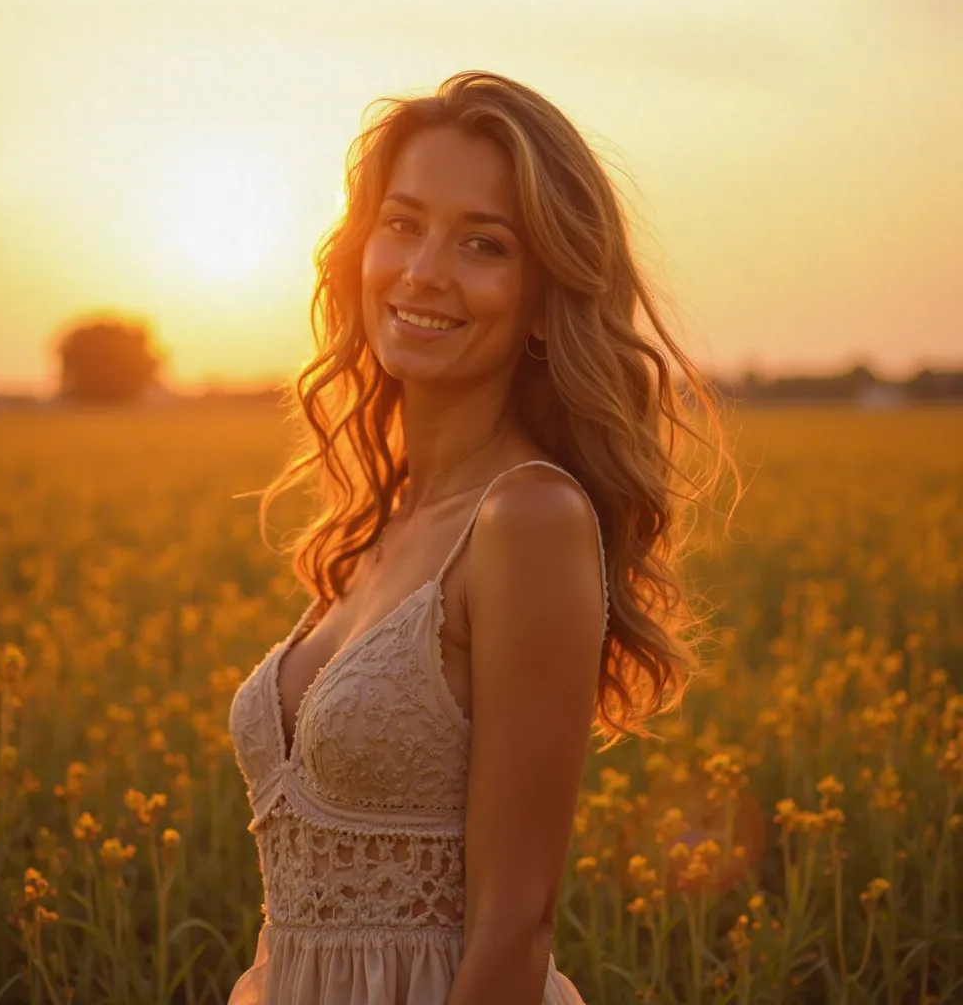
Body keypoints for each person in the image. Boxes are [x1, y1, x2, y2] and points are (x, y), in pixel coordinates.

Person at [228, 70, 736, 1005]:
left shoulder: (529, 520)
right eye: (403, 223)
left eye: (483, 244)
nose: (424, 270)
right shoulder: (380, 524)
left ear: (546, 298)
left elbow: (515, 927)